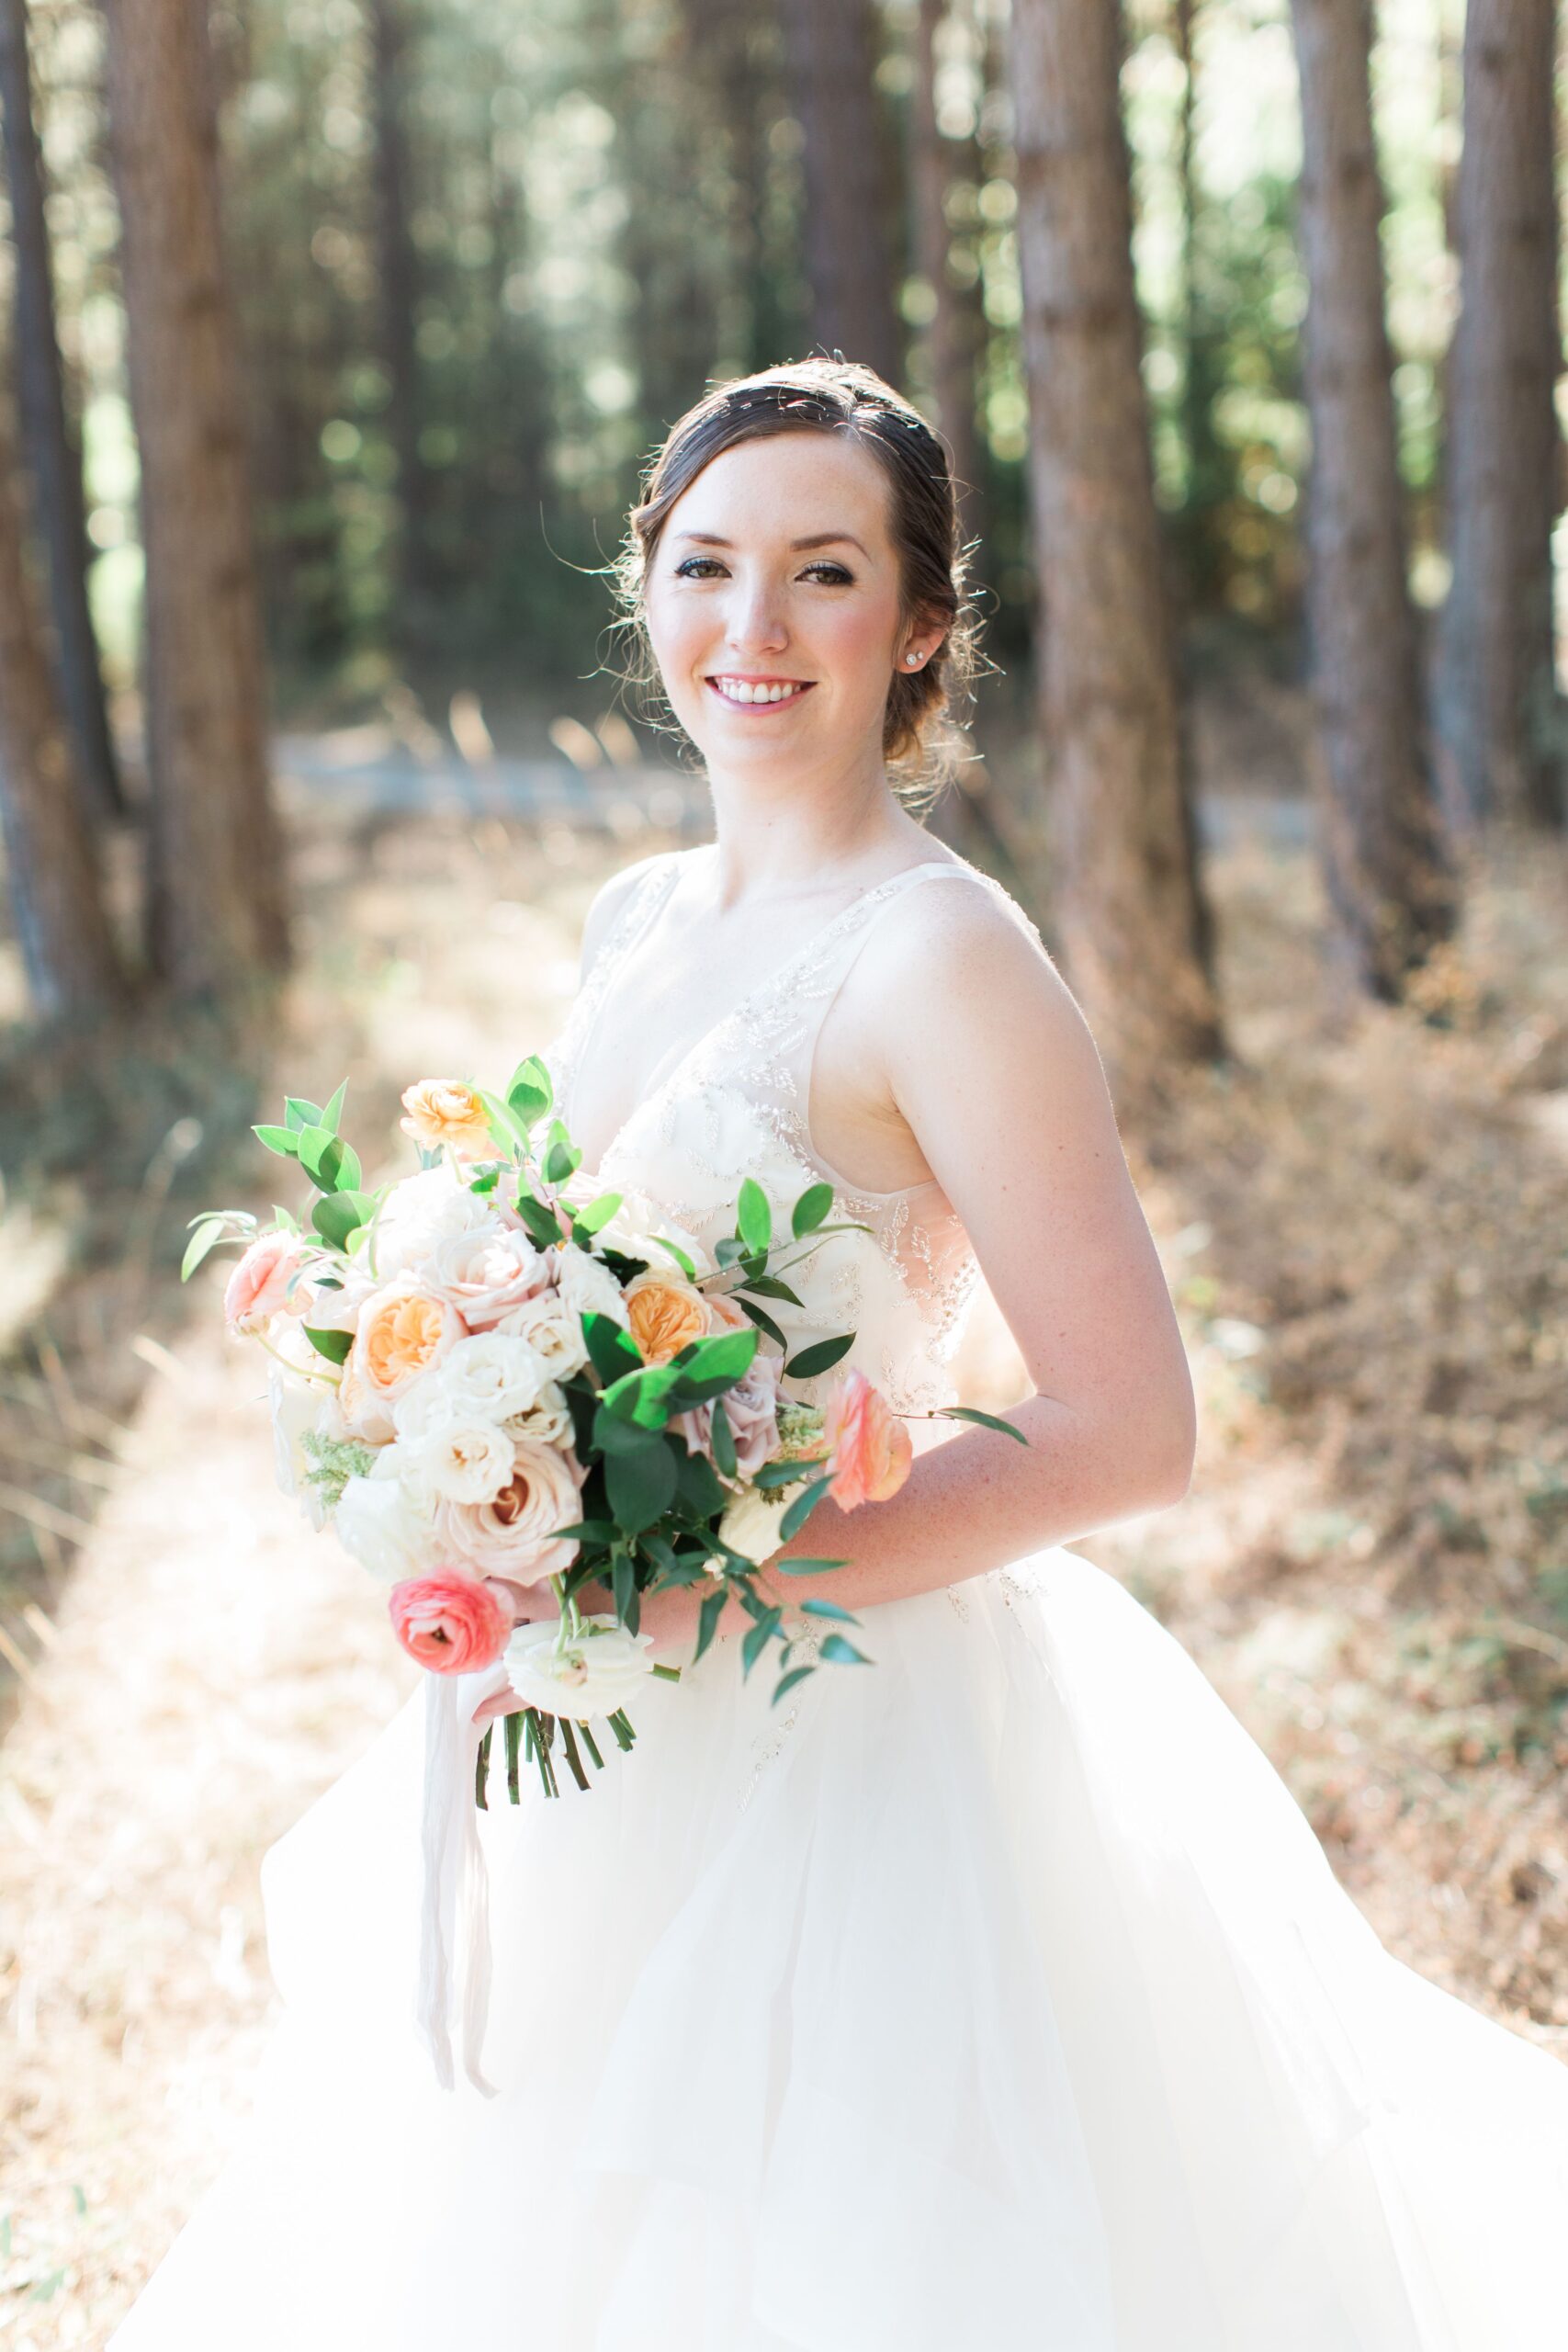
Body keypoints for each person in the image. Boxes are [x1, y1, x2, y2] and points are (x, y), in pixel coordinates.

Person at [110, 359, 1568, 2351]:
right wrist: (458, 1443)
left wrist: (721, 1570)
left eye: (821, 571)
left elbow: (1132, 1423)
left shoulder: (941, 955)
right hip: (609, 1725)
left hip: (863, 1739)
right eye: (705, 565)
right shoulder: (634, 917)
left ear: (918, 628)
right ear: (647, 593)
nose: (753, 625)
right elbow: (583, 1294)